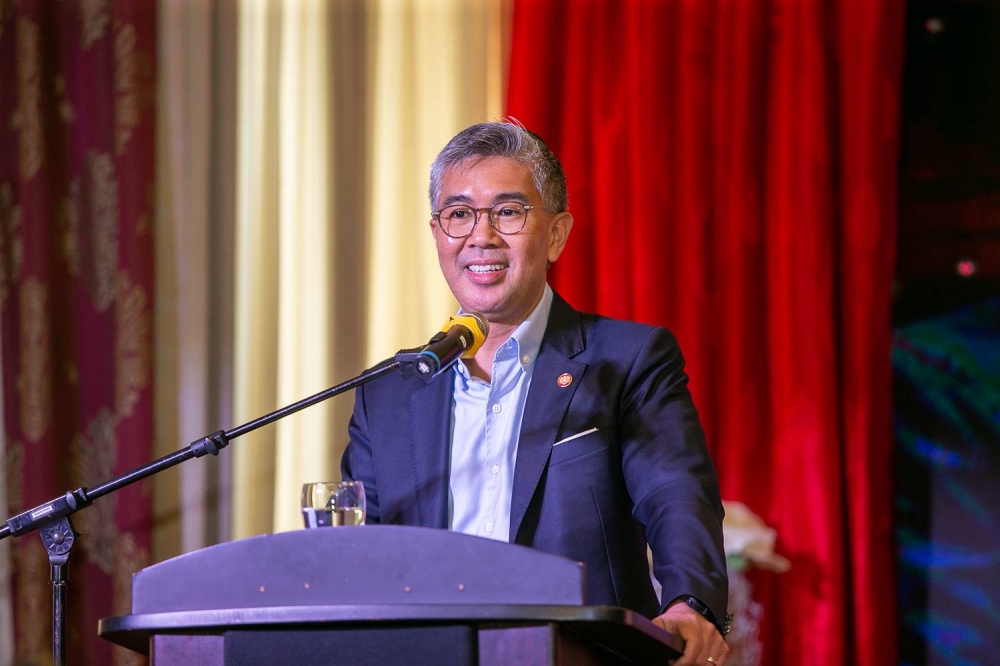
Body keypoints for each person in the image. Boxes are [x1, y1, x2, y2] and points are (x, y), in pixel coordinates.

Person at [342, 121, 730, 665]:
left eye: (508, 212)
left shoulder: (626, 360)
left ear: (556, 233)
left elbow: (676, 493)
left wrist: (692, 602)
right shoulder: (388, 392)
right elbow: (359, 555)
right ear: (436, 235)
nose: (481, 236)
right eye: (459, 215)